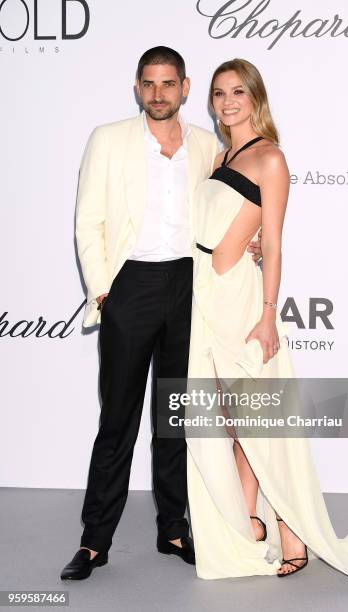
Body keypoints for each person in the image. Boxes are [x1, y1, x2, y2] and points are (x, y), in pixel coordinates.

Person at [186, 58, 348, 588]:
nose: (228, 102)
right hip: (203, 299)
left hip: (240, 303)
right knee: (228, 420)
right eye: (219, 94)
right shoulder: (220, 155)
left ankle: (291, 531)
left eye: (238, 91)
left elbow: (276, 243)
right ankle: (249, 521)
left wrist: (267, 316)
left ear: (256, 97)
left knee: (260, 421)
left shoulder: (271, 158)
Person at [61, 46, 262, 581]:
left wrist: (253, 245)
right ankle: (94, 541)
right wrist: (105, 290)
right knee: (118, 420)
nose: (158, 93)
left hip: (188, 289)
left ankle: (173, 528)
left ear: (185, 87)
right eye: (149, 84)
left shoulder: (206, 147)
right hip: (131, 287)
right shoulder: (108, 138)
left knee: (174, 418)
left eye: (168, 83)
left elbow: (229, 210)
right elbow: (89, 221)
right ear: (137, 88)